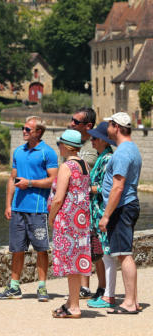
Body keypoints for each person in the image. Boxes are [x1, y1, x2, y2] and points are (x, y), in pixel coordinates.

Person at [0, 116, 58, 301]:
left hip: (38, 209)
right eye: (23, 128)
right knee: (17, 248)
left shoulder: (48, 152)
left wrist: (30, 183)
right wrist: (8, 204)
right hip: (17, 208)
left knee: (41, 248)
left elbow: (53, 181)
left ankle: (42, 287)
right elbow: (12, 179)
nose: (23, 131)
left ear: (38, 132)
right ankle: (14, 287)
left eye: (27, 129)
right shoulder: (18, 152)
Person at [99, 112, 141, 315]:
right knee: (124, 253)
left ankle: (130, 302)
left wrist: (106, 215)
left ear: (116, 127)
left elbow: (118, 186)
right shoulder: (130, 148)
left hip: (122, 207)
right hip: (126, 206)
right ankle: (133, 299)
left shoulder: (123, 152)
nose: (106, 128)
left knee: (124, 255)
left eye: (109, 124)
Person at [48, 129, 92, 318]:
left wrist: (51, 218)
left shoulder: (66, 167)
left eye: (59, 144)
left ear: (65, 146)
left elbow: (58, 198)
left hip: (67, 220)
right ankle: (70, 302)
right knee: (76, 261)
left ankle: (74, 307)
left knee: (70, 264)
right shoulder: (85, 165)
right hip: (81, 220)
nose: (58, 147)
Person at [86, 122, 118, 309]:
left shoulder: (106, 160)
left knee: (106, 254)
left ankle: (108, 296)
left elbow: (106, 188)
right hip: (96, 211)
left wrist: (86, 189)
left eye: (95, 138)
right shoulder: (102, 157)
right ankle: (106, 293)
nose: (91, 140)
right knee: (104, 254)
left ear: (104, 141)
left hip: (101, 211)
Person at [69, 107, 98, 298]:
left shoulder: (92, 147)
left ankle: (91, 286)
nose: (71, 123)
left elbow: (80, 169)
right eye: (71, 120)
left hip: (90, 204)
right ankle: (82, 286)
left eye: (76, 122)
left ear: (88, 126)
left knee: (90, 245)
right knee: (79, 244)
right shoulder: (74, 144)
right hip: (75, 203)